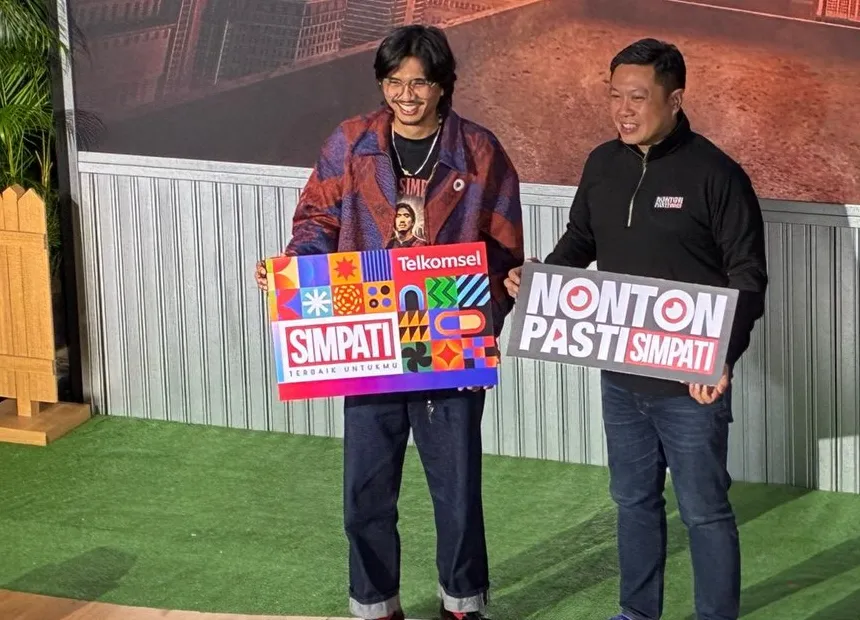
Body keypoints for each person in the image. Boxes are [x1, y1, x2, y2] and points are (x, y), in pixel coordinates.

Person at [255, 24, 524, 620]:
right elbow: (317, 222)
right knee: (366, 491)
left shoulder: (480, 150)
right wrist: (295, 271)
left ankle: (462, 604)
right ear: (382, 83)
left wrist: (485, 317)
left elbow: (504, 248)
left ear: (443, 85)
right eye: (394, 82)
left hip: (447, 340)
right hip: (369, 337)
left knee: (457, 489)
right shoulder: (350, 142)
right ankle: (375, 605)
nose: (407, 95)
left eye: (420, 83)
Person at [504, 38, 767, 620]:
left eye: (638, 98)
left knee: (703, 511)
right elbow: (581, 240)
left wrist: (722, 355)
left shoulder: (717, 175)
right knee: (632, 502)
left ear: (675, 99)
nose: (623, 110)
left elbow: (748, 277)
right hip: (620, 377)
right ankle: (637, 613)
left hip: (690, 384)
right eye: (614, 96)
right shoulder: (601, 163)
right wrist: (543, 278)